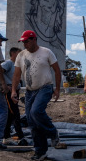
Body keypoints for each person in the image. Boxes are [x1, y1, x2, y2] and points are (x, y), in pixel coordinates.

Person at [11, 30, 61, 161]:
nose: (24, 44)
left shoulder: (46, 52)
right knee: (32, 122)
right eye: (23, 42)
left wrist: (57, 89)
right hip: (29, 91)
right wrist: (13, 91)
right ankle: (40, 152)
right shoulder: (21, 55)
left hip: (45, 87)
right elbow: (16, 75)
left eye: (26, 41)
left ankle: (52, 132)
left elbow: (57, 70)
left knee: (36, 111)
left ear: (34, 39)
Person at [2, 47, 27, 145]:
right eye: (19, 53)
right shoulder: (8, 63)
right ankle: (21, 137)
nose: (21, 55)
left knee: (10, 115)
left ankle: (6, 137)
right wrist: (4, 85)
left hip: (15, 91)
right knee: (15, 114)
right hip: (9, 93)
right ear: (13, 53)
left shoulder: (16, 65)